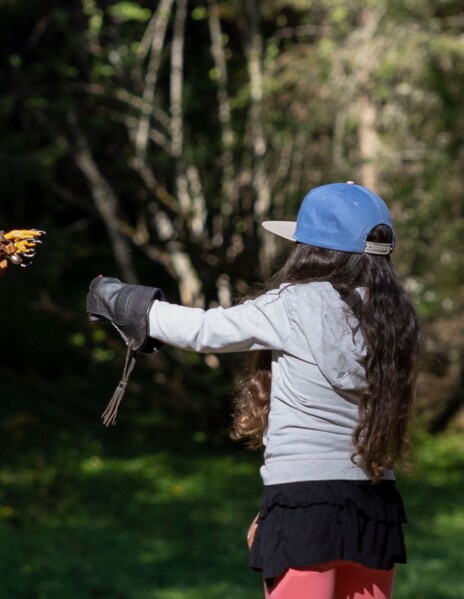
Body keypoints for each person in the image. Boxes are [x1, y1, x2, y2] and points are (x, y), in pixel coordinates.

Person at [86, 182, 420, 599]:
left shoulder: (294, 304)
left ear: (311, 248)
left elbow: (203, 331)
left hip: (303, 507)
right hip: (375, 507)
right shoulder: (395, 319)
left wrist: (120, 300)